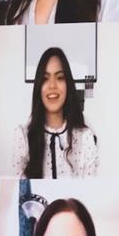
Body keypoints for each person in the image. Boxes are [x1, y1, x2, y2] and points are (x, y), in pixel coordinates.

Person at [11, 47, 99, 178]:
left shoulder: (84, 138)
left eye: (60, 77)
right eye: (45, 79)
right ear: (38, 87)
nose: (52, 85)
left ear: (68, 84)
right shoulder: (23, 138)